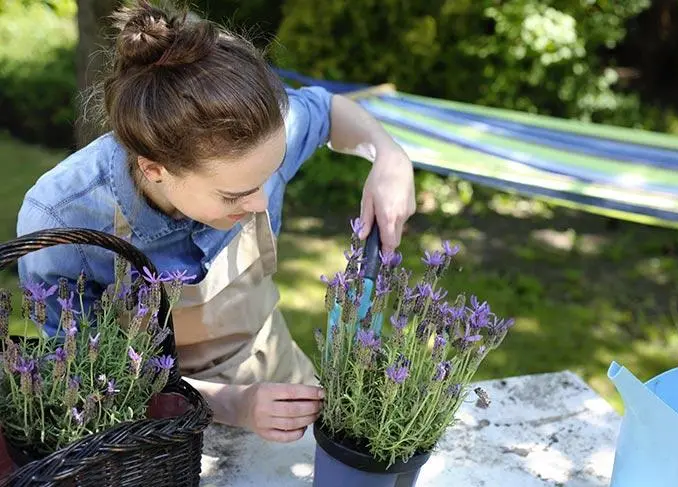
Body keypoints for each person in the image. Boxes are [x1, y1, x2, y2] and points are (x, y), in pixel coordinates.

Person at [16, 1, 415, 444]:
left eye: (271, 173)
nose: (262, 200)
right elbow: (86, 376)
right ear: (154, 170)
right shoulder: (61, 219)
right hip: (154, 428)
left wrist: (390, 156)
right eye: (234, 195)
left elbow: (326, 109)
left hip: (278, 376)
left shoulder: (261, 133)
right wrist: (232, 404)